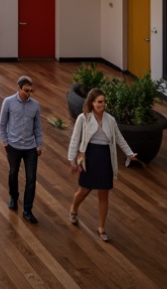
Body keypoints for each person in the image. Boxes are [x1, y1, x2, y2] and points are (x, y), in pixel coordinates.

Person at [67, 87, 137, 242]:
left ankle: (101, 228)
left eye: (104, 102)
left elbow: (119, 138)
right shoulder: (83, 118)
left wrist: (129, 153)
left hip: (105, 159)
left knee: (103, 194)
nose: (102, 105)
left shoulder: (110, 120)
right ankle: (74, 209)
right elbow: (75, 139)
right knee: (84, 190)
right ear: (92, 103)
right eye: (99, 102)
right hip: (89, 158)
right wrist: (72, 159)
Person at [0, 75, 43, 224]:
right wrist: (5, 142)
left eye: (30, 91)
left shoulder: (35, 105)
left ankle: (27, 210)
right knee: (13, 173)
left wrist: (39, 144)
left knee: (31, 179)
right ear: (19, 88)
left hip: (30, 147)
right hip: (13, 146)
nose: (28, 93)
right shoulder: (8, 102)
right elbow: (2, 124)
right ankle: (13, 197)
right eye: (26, 90)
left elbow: (37, 127)